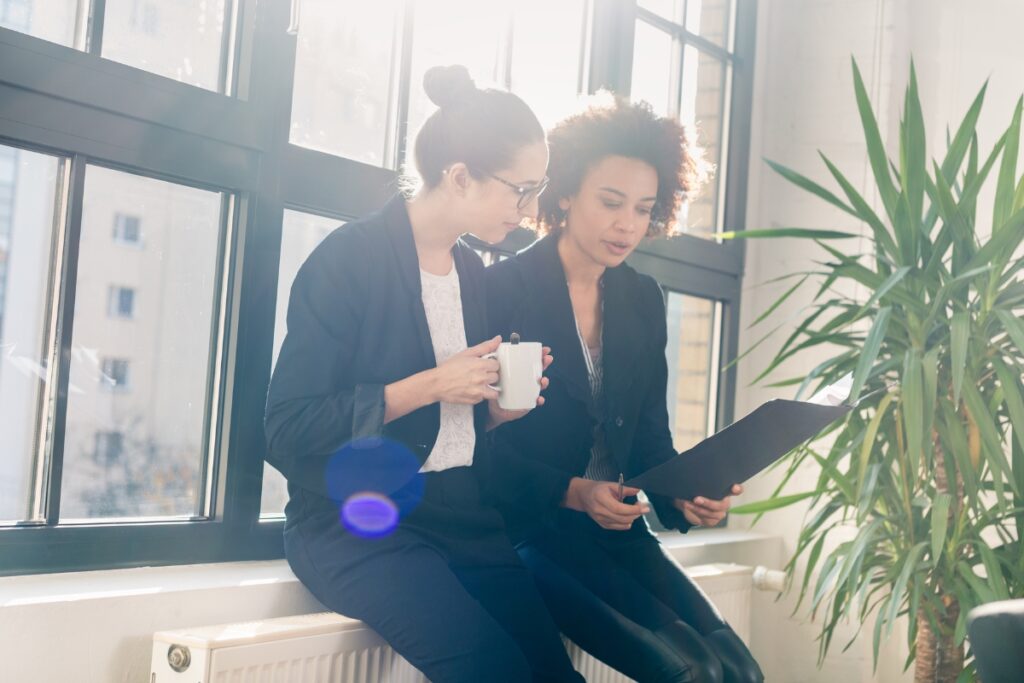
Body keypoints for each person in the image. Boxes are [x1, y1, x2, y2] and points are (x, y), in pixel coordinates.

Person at [264, 65, 583, 683]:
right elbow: (285, 429)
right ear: (460, 176)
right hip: (355, 525)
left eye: (538, 189)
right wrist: (434, 383)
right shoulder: (348, 259)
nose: (532, 209)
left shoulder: (470, 273)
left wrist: (493, 409)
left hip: (461, 517)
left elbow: (446, 433)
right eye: (521, 189)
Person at [483, 96, 764, 683]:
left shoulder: (641, 298)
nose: (627, 225)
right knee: (694, 675)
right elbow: (472, 451)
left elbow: (648, 440)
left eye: (643, 208)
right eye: (611, 203)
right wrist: (572, 490)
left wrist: (686, 496)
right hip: (532, 532)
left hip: (619, 533)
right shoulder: (497, 291)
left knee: (740, 671)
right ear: (563, 194)